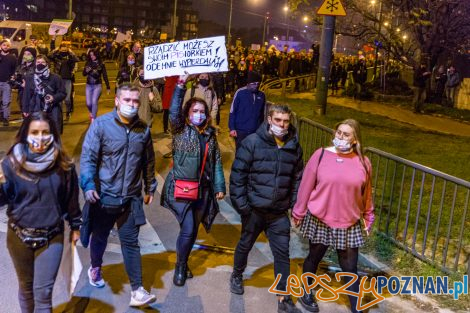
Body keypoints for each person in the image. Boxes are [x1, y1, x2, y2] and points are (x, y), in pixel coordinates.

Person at [79, 83, 157, 306]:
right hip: (105, 197)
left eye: (135, 101)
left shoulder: (143, 129)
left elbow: (148, 162)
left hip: (130, 198)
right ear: (117, 100)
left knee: (131, 243)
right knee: (100, 237)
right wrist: (88, 186)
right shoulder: (101, 126)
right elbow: (88, 159)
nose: (132, 105)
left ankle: (137, 290)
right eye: (127, 100)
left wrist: (149, 187)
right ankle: (95, 268)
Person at [0, 112, 81, 313]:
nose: (40, 137)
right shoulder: (10, 164)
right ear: (26, 134)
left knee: (43, 296)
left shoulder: (63, 165)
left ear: (52, 134)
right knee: (26, 290)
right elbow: (3, 199)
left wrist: (76, 225)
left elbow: (71, 198)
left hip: (51, 237)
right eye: (35, 132)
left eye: (45, 132)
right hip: (19, 237)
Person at [292, 119, 374, 313]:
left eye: (346, 135)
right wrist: (299, 211)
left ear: (355, 140)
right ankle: (306, 292)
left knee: (350, 268)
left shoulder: (363, 162)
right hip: (321, 219)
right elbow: (306, 186)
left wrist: (368, 215)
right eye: (339, 133)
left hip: (349, 222)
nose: (341, 137)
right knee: (314, 257)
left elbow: (367, 192)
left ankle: (355, 307)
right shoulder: (320, 155)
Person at [229, 104, 303, 313]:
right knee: (245, 244)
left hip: (278, 213)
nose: (282, 125)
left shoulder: (294, 146)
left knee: (282, 255)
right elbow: (237, 177)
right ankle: (236, 274)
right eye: (278, 120)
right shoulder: (252, 142)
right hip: (254, 210)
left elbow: (298, 178)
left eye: (286, 121)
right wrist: (243, 207)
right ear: (269, 119)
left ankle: (283, 298)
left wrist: (295, 203)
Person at [160, 74, 226, 287]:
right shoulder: (179, 130)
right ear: (187, 114)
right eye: (194, 111)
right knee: (188, 229)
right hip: (182, 188)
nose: (198, 114)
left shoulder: (209, 134)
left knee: (191, 229)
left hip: (203, 191)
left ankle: (183, 260)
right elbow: (173, 111)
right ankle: (180, 266)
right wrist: (180, 85)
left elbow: (215, 161)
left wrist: (219, 186)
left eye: (202, 112)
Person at [22, 55, 66, 134]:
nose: (40, 64)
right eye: (38, 62)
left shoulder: (56, 78)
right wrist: (25, 109)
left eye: (42, 62)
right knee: (37, 133)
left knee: (52, 133)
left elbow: (63, 93)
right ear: (35, 63)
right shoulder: (30, 77)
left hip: (52, 109)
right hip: (35, 108)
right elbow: (27, 94)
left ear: (47, 64)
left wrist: (53, 97)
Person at [229, 71, 266, 150]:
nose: (256, 86)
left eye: (258, 83)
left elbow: (262, 114)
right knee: (240, 153)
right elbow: (232, 111)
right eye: (253, 83)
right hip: (240, 131)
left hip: (255, 131)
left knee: (253, 153)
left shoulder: (261, 95)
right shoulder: (240, 93)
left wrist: (261, 129)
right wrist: (232, 128)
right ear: (248, 82)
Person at [48, 43, 79, 121]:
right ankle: (60, 115)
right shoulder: (57, 56)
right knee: (59, 100)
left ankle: (68, 111)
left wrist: (71, 52)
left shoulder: (70, 56)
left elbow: (76, 59)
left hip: (68, 79)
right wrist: (55, 50)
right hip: (58, 80)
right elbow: (49, 56)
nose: (64, 49)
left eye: (65, 47)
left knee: (67, 99)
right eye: (62, 47)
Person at [83, 49, 110, 122]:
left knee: (94, 101)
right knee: (88, 103)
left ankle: (94, 119)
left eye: (93, 55)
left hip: (97, 85)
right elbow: (84, 74)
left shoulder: (101, 63)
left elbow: (105, 75)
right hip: (88, 85)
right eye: (91, 55)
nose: (92, 56)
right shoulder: (88, 63)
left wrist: (108, 86)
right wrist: (86, 71)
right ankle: (92, 112)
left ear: (97, 54)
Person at [12, 47, 36, 117]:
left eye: (28, 54)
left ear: (33, 56)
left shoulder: (36, 67)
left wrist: (28, 85)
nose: (26, 56)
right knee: (24, 111)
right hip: (22, 93)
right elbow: (14, 80)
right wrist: (19, 83)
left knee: (32, 113)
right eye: (25, 54)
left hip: (32, 94)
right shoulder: (20, 67)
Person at [0, 39, 18, 126]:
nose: (5, 47)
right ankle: (1, 115)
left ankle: (5, 118)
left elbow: (15, 69)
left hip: (7, 83)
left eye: (7, 45)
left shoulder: (12, 57)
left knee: (6, 101)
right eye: (4, 45)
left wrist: (13, 77)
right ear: (1, 46)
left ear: (9, 47)